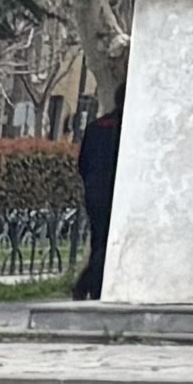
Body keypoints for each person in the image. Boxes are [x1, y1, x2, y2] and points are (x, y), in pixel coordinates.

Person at [72, 89, 122, 297]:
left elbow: (82, 162)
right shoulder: (128, 128)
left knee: (98, 238)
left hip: (95, 193)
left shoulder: (95, 127)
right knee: (110, 241)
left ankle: (92, 284)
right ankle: (90, 283)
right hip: (116, 193)